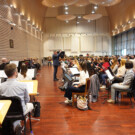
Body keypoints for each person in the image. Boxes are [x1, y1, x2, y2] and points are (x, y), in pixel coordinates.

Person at [0, 64, 33, 134]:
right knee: (30, 105)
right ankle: (17, 126)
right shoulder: (23, 85)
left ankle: (14, 126)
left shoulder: (1, 86)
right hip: (20, 112)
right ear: (15, 73)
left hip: (5, 112)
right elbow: (27, 100)